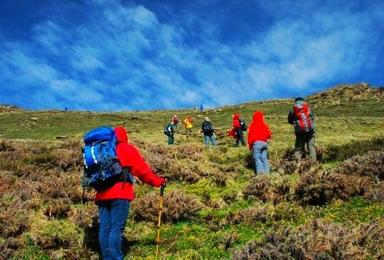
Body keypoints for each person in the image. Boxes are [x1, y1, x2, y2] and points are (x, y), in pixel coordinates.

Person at [95, 126, 166, 260]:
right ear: (124, 137)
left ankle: (107, 257)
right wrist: (159, 182)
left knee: (104, 229)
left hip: (102, 195)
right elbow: (143, 171)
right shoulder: (127, 149)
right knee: (116, 228)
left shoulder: (102, 150)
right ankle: (116, 257)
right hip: (120, 194)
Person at [288, 97, 316, 162]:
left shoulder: (293, 110)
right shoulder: (308, 108)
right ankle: (313, 165)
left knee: (298, 149)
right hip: (310, 132)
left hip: (300, 133)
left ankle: (295, 165)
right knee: (311, 147)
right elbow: (313, 118)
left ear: (295, 101)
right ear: (303, 101)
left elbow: (290, 121)